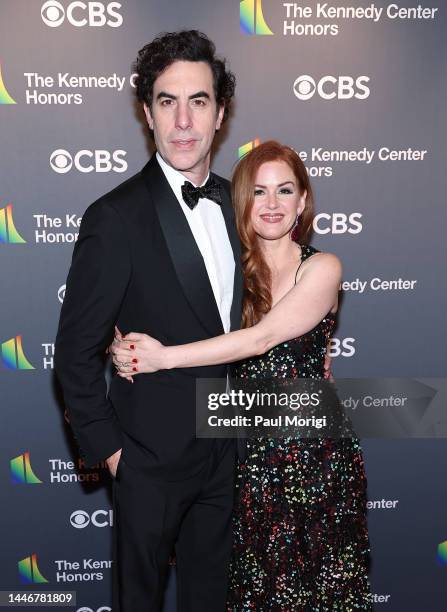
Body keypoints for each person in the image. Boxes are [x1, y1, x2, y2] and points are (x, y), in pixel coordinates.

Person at [111, 141, 372, 610]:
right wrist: (124, 343)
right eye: (259, 192)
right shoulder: (231, 271)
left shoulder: (324, 267)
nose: (271, 204)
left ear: (303, 201)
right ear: (242, 203)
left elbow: (261, 340)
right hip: (244, 456)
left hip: (311, 456)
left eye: (285, 191)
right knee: (252, 591)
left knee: (314, 589)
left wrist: (161, 357)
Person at [54, 30, 243, 612]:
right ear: (147, 113)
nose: (183, 121)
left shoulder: (241, 205)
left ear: (220, 114)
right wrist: (117, 459)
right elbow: (74, 355)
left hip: (229, 453)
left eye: (199, 101)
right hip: (150, 463)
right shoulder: (116, 217)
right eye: (168, 101)